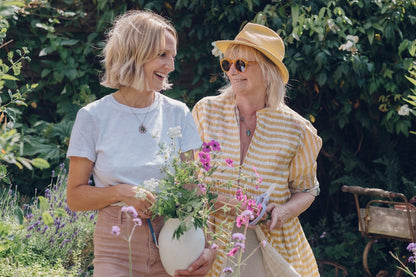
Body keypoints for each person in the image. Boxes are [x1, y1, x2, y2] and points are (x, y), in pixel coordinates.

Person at [66, 10, 215, 277]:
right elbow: (75, 197)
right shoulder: (93, 117)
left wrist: (209, 246)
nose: (170, 66)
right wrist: (121, 192)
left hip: (176, 244)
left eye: (172, 57)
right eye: (162, 55)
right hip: (116, 249)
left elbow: (196, 190)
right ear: (134, 53)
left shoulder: (178, 113)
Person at [192, 23, 322, 276]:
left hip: (269, 243)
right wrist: (229, 204)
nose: (231, 71)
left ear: (267, 70)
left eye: (241, 64)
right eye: (227, 64)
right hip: (208, 238)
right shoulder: (205, 111)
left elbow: (306, 190)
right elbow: (189, 179)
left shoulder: (298, 129)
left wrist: (283, 211)